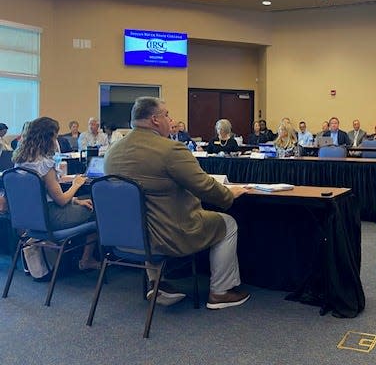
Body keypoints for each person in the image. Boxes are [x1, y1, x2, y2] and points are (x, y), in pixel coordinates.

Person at [104, 97, 250, 309]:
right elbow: (205, 187)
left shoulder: (112, 152)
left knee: (144, 214)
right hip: (169, 235)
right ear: (155, 119)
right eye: (167, 115)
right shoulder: (170, 150)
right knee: (227, 224)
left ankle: (157, 281)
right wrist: (229, 194)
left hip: (126, 237)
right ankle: (220, 292)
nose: (170, 120)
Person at [12, 117, 100, 271]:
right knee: (97, 209)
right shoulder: (45, 164)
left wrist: (76, 200)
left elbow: (42, 197)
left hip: (32, 219)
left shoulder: (20, 162)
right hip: (52, 218)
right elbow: (60, 201)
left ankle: (78, 258)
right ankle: (86, 260)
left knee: (84, 201)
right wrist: (76, 184)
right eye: (55, 136)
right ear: (48, 137)